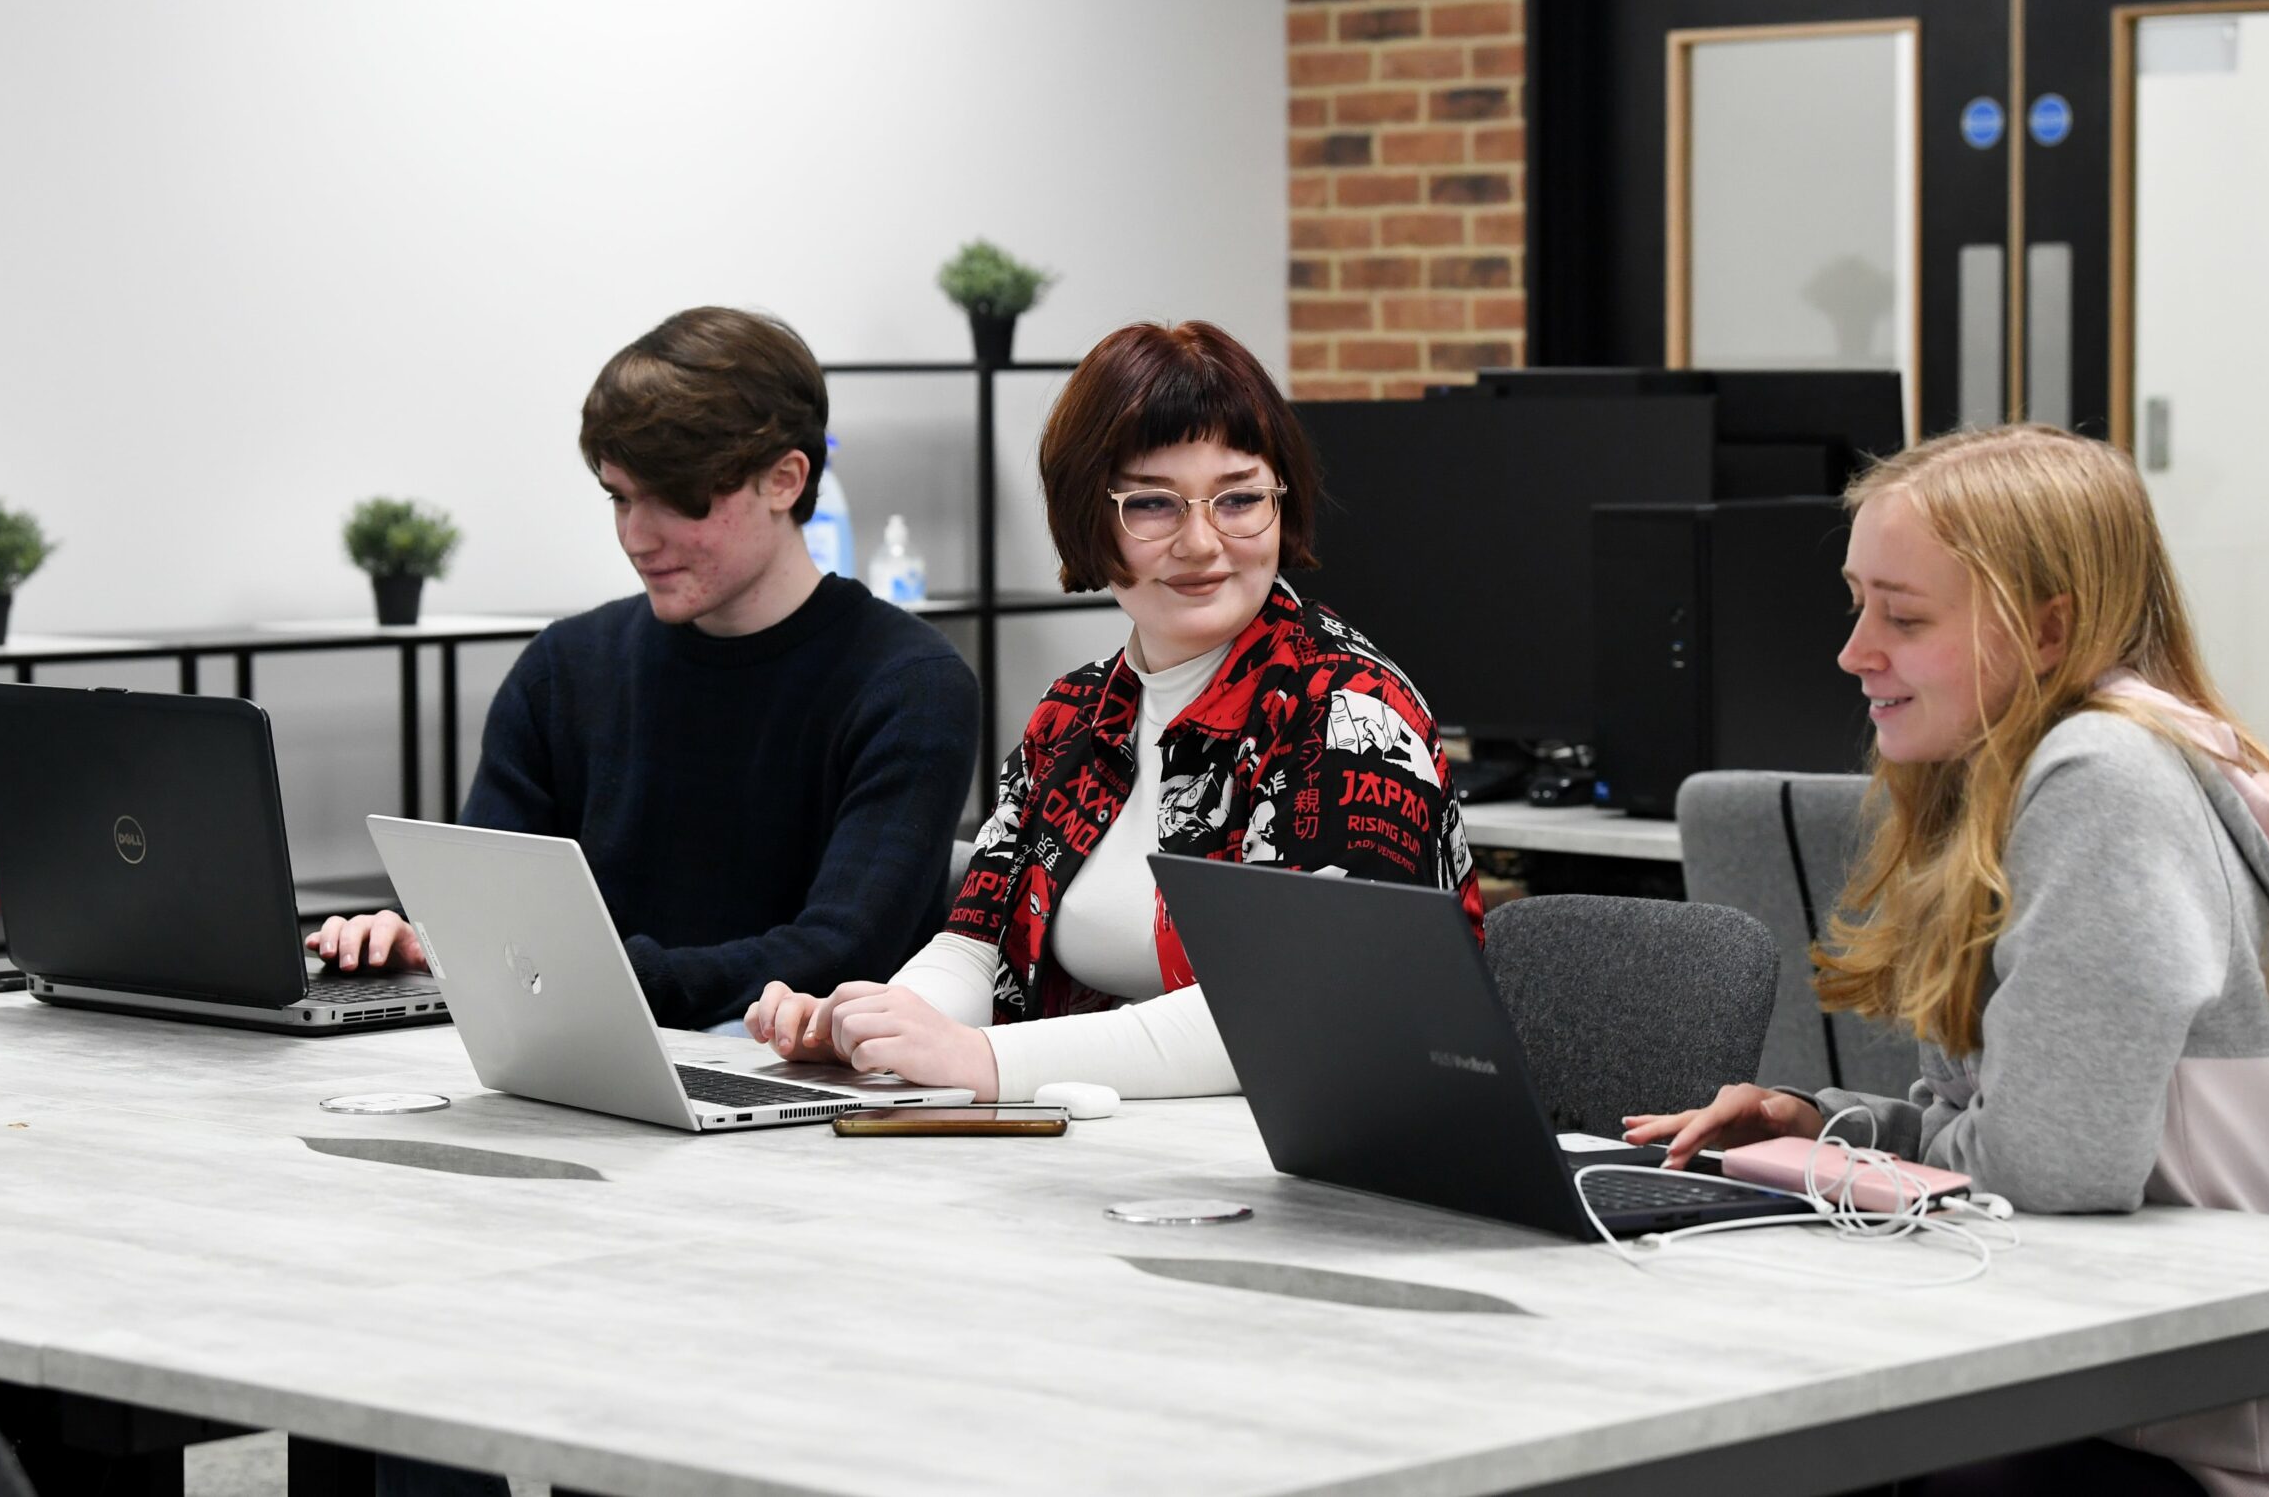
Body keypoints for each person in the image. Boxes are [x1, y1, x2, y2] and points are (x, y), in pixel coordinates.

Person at [1625, 423, 2269, 1497]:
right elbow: (2030, 1138)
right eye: (1857, 602)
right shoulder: (2019, 768)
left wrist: (1836, 1169)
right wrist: (1829, 1123)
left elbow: (2055, 1172)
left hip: (2214, 1452)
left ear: (2050, 628)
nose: (1853, 651)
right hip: (2122, 1382)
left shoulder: (2105, 775)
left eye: (1905, 617)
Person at [744, 319, 1483, 1100]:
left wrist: (986, 1062)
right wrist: (875, 1025)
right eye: (1154, 504)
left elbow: (1290, 1018)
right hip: (1129, 1157)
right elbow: (976, 945)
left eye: (1239, 498)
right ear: (1090, 517)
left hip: (1359, 1176)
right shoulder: (1070, 714)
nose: (1203, 542)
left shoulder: (1348, 712)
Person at [307, 307, 980, 1030]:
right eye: (620, 497)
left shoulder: (910, 686)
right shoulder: (561, 671)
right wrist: (418, 941)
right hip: (568, 1055)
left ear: (785, 479)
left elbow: (840, 950)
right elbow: (483, 913)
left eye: (676, 499)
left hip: (783, 1084)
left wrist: (590, 978)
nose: (636, 535)